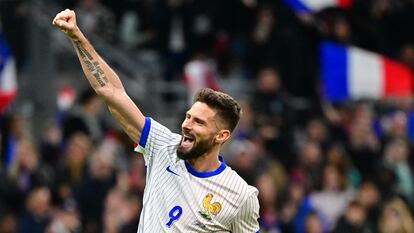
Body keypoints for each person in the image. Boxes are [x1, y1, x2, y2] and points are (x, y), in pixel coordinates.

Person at [52, 9, 260, 232]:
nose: (187, 125)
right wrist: (77, 37)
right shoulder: (162, 146)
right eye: (188, 117)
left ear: (221, 136)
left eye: (199, 122)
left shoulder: (240, 195)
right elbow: (111, 91)